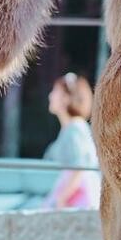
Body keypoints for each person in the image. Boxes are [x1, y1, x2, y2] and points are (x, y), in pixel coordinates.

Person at [42, 72, 101, 209]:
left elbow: (79, 168)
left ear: (66, 98)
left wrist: (60, 200)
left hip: (78, 200)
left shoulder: (75, 129)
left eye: (55, 91)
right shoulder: (71, 128)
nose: (50, 96)